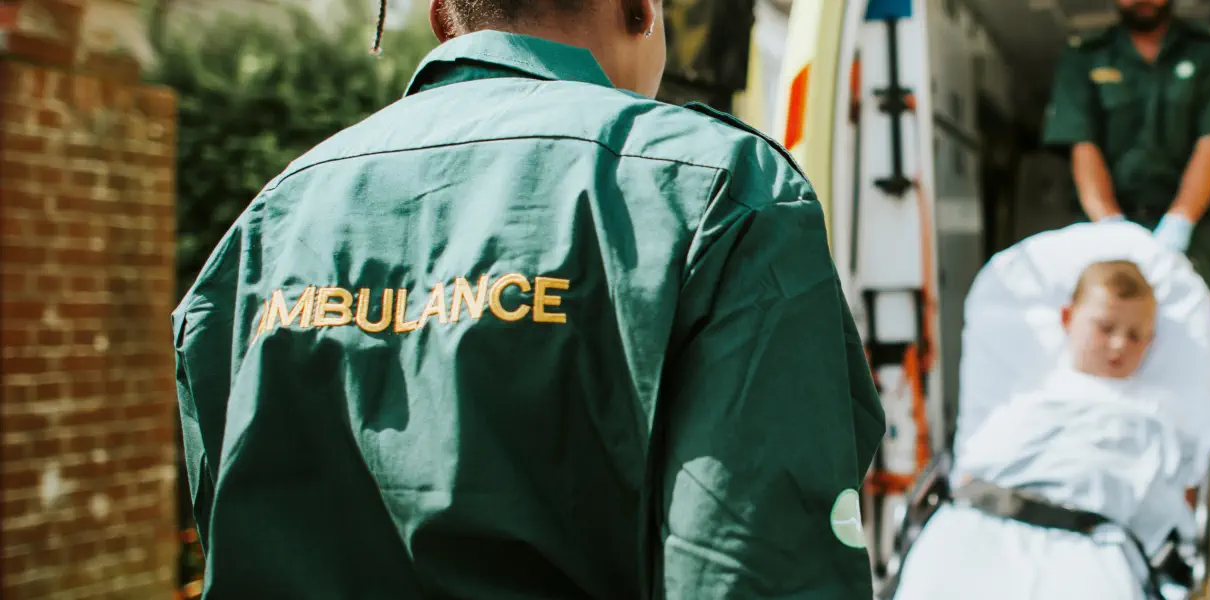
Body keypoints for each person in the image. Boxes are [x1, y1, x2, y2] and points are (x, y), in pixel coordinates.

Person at [167, 0, 884, 597]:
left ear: (444, 16)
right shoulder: (725, 192)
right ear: (639, 6)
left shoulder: (268, 224)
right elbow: (755, 571)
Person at [888, 260, 1203, 600]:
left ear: (1151, 341)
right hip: (982, 521)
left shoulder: (1154, 412)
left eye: (1134, 335)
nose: (1118, 345)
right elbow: (976, 466)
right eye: (1105, 327)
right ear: (1067, 318)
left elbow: (1160, 505)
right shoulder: (1029, 400)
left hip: (1090, 537)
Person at [1040, 0, 1210, 290]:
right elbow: (1082, 145)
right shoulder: (1083, 56)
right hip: (1103, 230)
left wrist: (1179, 224)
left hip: (1189, 233)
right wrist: (1111, 228)